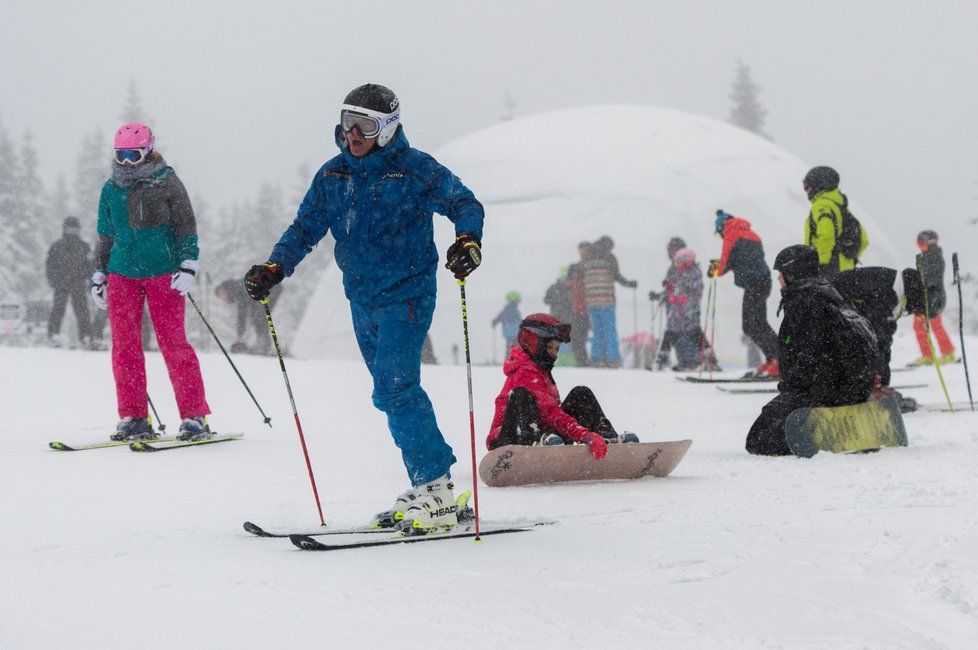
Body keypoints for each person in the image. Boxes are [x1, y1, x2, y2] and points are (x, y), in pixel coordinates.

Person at [243, 84, 484, 533]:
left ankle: (436, 487)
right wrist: (276, 267)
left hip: (407, 294)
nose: (352, 133)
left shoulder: (414, 170)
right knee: (387, 392)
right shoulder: (334, 175)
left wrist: (468, 240)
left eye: (366, 125)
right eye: (347, 121)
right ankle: (424, 484)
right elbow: (305, 228)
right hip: (362, 297)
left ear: (388, 128)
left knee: (396, 388)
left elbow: (464, 203)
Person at [91, 122, 211, 442]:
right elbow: (105, 235)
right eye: (121, 155)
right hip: (122, 274)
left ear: (148, 151)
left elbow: (185, 225)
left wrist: (187, 264)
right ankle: (133, 417)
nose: (127, 162)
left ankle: (194, 416)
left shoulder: (167, 182)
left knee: (173, 344)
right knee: (125, 347)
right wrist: (99, 273)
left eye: (133, 155)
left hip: (163, 273)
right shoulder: (110, 188)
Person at [746, 245, 878, 456]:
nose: (779, 280)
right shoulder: (831, 295)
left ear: (792, 272)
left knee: (760, 438)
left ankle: (833, 430)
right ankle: (852, 420)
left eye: (781, 274)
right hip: (850, 390)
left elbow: (813, 359)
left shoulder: (805, 303)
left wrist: (802, 393)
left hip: (824, 393)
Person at [487, 314, 637, 454]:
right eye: (550, 347)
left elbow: (551, 415)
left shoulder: (542, 371)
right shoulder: (524, 372)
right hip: (508, 441)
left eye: (557, 349)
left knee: (581, 394)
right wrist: (583, 435)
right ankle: (533, 443)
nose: (555, 354)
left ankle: (607, 437)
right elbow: (550, 412)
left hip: (548, 437)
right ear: (534, 343)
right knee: (521, 394)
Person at [833, 265, 925, 412]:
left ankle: (871, 388)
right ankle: (872, 392)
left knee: (869, 343)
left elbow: (884, 328)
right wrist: (881, 381)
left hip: (840, 298)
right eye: (918, 309)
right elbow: (877, 339)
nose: (916, 313)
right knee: (862, 345)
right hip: (835, 302)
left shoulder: (894, 285)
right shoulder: (889, 293)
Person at [710, 210, 779, 376]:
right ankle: (774, 359)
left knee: (752, 325)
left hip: (754, 284)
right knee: (756, 324)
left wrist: (713, 268)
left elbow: (725, 264)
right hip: (762, 282)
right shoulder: (752, 234)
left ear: (721, 228)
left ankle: (780, 359)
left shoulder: (731, 235)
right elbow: (742, 259)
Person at [653, 243, 717, 371]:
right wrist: (669, 289)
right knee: (670, 333)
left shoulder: (694, 272)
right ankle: (661, 359)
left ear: (687, 262)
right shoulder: (679, 272)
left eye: (679, 262)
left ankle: (710, 358)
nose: (676, 265)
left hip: (689, 311)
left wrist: (679, 291)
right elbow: (677, 288)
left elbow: (694, 289)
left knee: (694, 333)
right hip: (677, 311)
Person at [802, 166, 869, 276]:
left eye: (808, 187)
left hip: (828, 270)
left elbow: (826, 236)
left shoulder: (821, 204)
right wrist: (850, 260)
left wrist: (821, 265)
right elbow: (864, 239)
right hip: (847, 273)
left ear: (819, 185)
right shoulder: (840, 207)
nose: (806, 191)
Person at [583, 235, 637, 367]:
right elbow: (617, 276)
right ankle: (612, 359)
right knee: (609, 330)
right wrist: (630, 284)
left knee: (597, 330)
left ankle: (597, 359)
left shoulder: (587, 257)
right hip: (606, 299)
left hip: (591, 300)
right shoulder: (609, 257)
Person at [45, 216, 93, 347]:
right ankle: (53, 334)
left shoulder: (84, 246)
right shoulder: (57, 246)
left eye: (74, 228)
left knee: (82, 310)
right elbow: (50, 265)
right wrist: (53, 280)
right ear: (64, 229)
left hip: (78, 282)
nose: (72, 231)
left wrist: (91, 281)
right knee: (58, 308)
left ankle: (86, 336)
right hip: (61, 282)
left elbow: (90, 266)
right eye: (69, 228)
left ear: (78, 230)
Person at [910, 230, 955, 365]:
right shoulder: (928, 256)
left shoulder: (933, 257)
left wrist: (921, 291)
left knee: (932, 324)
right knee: (921, 325)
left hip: (933, 297)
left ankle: (946, 353)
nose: (919, 245)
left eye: (921, 242)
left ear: (928, 242)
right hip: (930, 296)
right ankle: (930, 354)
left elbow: (930, 279)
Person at [215, 279, 279, 354]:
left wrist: (240, 335)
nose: (223, 298)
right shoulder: (238, 288)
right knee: (258, 317)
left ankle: (264, 346)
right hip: (267, 289)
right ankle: (263, 345)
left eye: (221, 294)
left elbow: (242, 314)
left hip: (271, 287)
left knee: (259, 317)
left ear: (225, 290)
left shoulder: (239, 289)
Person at [566, 242, 591, 366]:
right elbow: (568, 284)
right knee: (577, 335)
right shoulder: (574, 267)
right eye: (581, 250)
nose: (582, 253)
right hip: (577, 307)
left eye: (584, 250)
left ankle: (583, 359)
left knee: (583, 334)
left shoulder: (590, 267)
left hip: (588, 308)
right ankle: (580, 359)